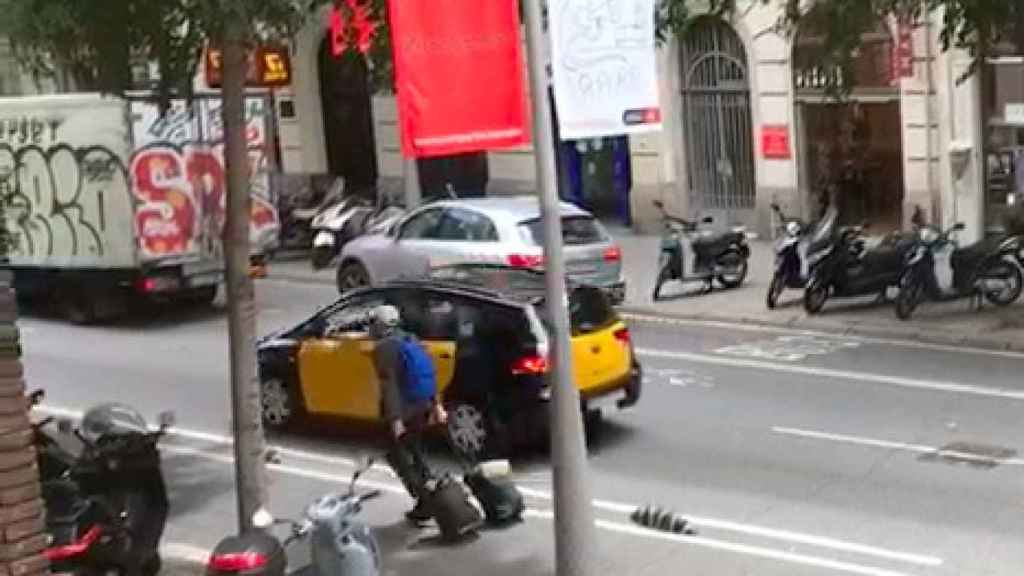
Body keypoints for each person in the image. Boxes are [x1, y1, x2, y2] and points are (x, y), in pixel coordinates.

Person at [369, 304, 447, 523]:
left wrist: (395, 420)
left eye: (372, 324)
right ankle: (433, 495)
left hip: (403, 411)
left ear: (379, 325)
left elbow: (389, 385)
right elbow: (428, 374)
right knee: (417, 453)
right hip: (422, 406)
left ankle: (424, 502)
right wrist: (437, 405)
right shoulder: (410, 339)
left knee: (399, 457)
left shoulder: (384, 348)